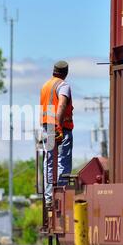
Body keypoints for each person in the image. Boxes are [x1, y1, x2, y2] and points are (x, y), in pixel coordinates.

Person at [40, 60, 74, 208]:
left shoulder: (45, 86)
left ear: (53, 71)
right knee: (63, 162)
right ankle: (59, 197)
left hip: (47, 129)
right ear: (65, 73)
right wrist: (59, 126)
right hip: (61, 129)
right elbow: (61, 104)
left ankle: (48, 198)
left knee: (49, 162)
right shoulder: (63, 86)